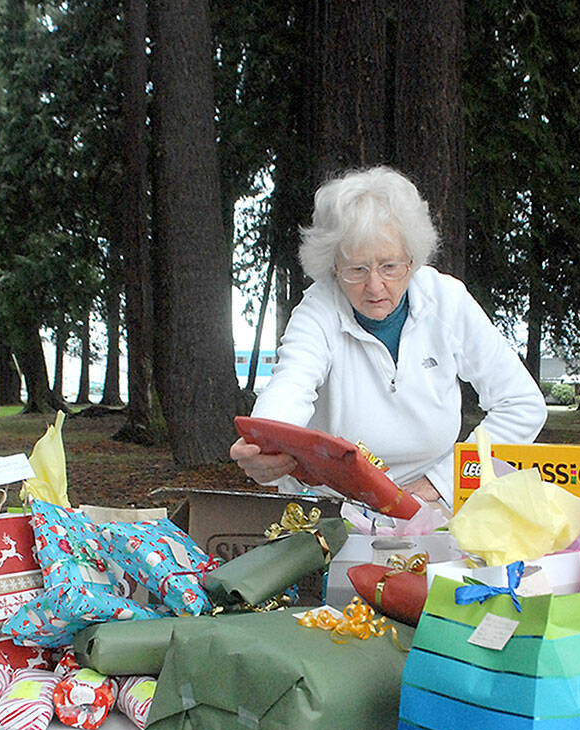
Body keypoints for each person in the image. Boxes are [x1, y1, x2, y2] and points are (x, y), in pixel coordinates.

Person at [230, 166, 547, 506]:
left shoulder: (448, 301)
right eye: (357, 269)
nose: (375, 286)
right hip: (331, 505)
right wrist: (264, 442)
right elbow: (290, 387)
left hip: (431, 504)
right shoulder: (318, 310)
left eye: (390, 266)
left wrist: (442, 482)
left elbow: (522, 404)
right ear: (334, 266)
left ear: (413, 260)